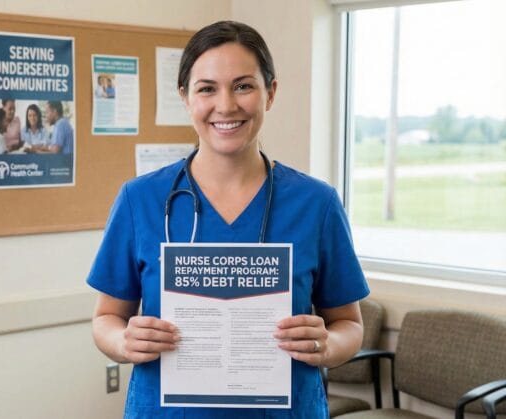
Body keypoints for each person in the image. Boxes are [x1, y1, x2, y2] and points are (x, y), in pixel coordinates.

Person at [86, 21, 369, 418]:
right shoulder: (140, 200)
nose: (226, 105)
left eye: (243, 86)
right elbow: (106, 317)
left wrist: (327, 345)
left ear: (270, 93)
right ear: (185, 97)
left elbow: (349, 325)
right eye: (207, 88)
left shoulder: (317, 203)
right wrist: (123, 342)